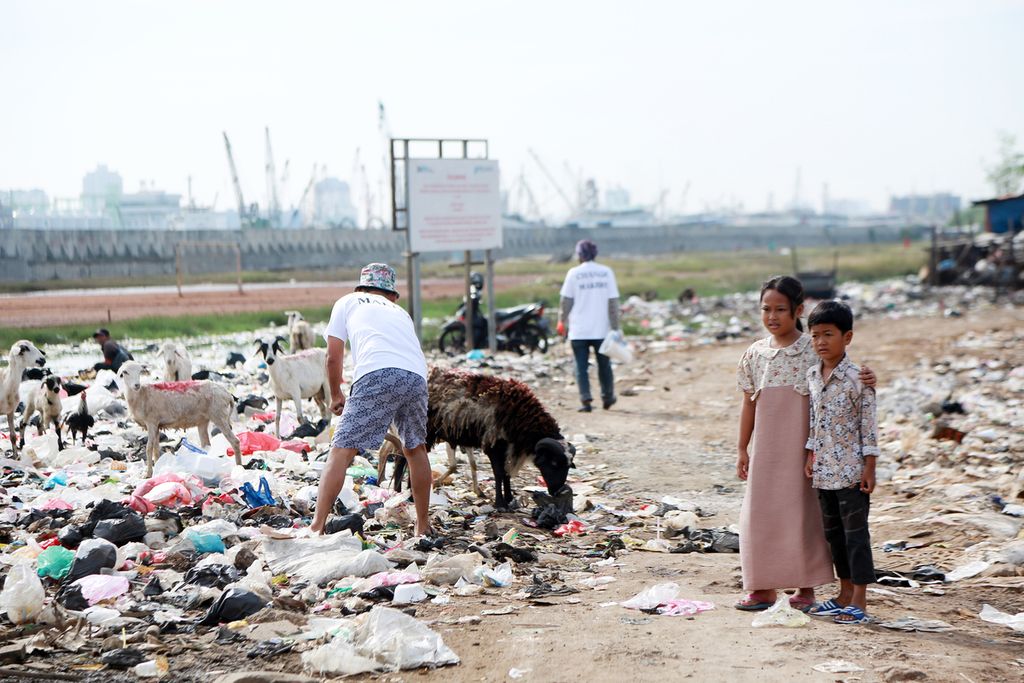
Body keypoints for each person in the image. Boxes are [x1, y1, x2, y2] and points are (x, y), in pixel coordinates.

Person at [735, 276, 875, 612]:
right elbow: (748, 402)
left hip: (805, 447)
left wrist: (869, 378)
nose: (772, 316)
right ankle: (762, 587)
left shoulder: (811, 349)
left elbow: (843, 374)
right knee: (760, 513)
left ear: (798, 310)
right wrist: (742, 447)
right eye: (766, 309)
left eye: (780, 309)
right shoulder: (755, 354)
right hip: (767, 447)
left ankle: (805, 587)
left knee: (802, 513)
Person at [309, 263, 433, 536]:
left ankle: (316, 527)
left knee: (341, 450)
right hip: (416, 376)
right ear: (392, 295)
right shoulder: (401, 312)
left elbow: (332, 356)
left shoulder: (347, 301)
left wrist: (336, 394)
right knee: (415, 449)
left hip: (377, 372)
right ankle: (423, 526)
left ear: (362, 287)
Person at [804, 300, 878, 625]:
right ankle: (843, 593)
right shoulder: (812, 375)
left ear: (847, 337)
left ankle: (860, 601)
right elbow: (813, 419)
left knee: (856, 537)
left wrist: (870, 467)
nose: (821, 342)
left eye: (828, 334)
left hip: (851, 474)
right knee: (834, 536)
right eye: (816, 335)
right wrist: (810, 454)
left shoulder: (859, 378)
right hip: (823, 473)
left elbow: (869, 426)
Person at [557, 239, 620, 413]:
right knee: (604, 365)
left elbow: (566, 302)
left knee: (580, 366)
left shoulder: (573, 273)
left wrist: (561, 321)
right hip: (601, 330)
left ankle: (586, 399)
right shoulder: (606, 272)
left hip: (579, 330)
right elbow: (613, 304)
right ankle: (607, 397)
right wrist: (615, 328)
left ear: (579, 255)